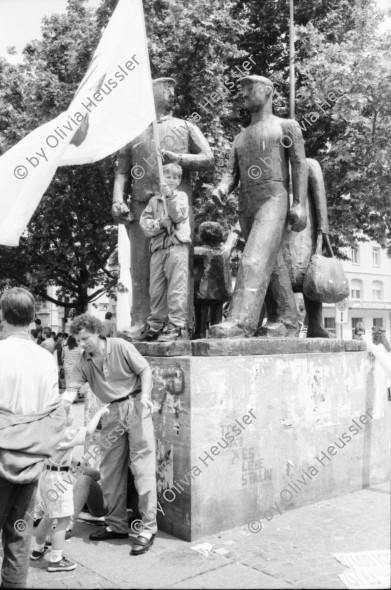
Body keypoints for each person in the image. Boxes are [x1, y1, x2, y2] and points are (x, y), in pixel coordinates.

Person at [112, 77, 214, 336]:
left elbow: (208, 158)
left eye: (173, 88)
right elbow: (122, 172)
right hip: (141, 208)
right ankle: (141, 321)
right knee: (141, 268)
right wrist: (117, 200)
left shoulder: (185, 126)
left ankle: (177, 325)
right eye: (164, 88)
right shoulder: (133, 132)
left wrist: (178, 158)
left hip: (175, 209)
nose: (171, 92)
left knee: (176, 271)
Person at [210, 75, 307, 338]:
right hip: (247, 202)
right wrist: (221, 188)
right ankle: (287, 320)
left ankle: (241, 322)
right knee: (271, 261)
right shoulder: (240, 138)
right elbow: (231, 174)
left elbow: (299, 165)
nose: (242, 96)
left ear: (268, 91)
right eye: (240, 91)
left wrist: (299, 203)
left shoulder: (287, 126)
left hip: (274, 197)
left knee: (253, 258)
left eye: (248, 90)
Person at [62, 313, 157, 556]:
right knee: (110, 469)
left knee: (142, 467)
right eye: (78, 340)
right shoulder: (84, 361)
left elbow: (145, 370)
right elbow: (71, 390)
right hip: (111, 412)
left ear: (97, 332)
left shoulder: (121, 346)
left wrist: (146, 396)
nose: (82, 344)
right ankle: (116, 525)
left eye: (85, 339)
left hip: (136, 406)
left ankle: (148, 528)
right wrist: (61, 407)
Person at [0, 287, 66, 588]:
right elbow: (53, 413)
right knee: (19, 533)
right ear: (31, 319)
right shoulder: (45, 359)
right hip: (31, 459)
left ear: (3, 316)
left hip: (2, 453)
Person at [30, 403, 109, 572]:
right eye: (67, 413)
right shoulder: (66, 434)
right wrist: (100, 413)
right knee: (60, 518)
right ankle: (56, 559)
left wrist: (78, 464)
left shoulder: (47, 434)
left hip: (49, 476)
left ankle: (38, 549)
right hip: (58, 477)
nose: (71, 414)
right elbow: (87, 432)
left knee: (49, 516)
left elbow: (90, 471)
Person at [138, 163, 191, 342]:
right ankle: (155, 324)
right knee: (156, 288)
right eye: (168, 176)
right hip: (158, 249)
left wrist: (170, 197)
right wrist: (160, 224)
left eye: (176, 177)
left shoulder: (181, 196)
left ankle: (176, 325)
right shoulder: (153, 202)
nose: (172, 180)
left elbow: (178, 216)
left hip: (176, 247)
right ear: (162, 179)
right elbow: (145, 225)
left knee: (177, 287)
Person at [194, 222, 239, 339]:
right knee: (216, 314)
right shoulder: (224, 252)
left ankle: (200, 334)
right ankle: (216, 335)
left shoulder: (197, 251)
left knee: (201, 313)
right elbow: (231, 241)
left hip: (201, 290)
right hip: (220, 291)